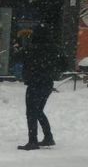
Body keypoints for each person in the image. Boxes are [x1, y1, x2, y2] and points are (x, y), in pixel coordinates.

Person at [17, 23, 66, 151]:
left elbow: (18, 58)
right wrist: (52, 70)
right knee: (38, 111)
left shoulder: (31, 48)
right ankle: (48, 137)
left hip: (34, 83)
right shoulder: (56, 49)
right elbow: (65, 65)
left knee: (31, 112)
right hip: (48, 83)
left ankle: (33, 141)